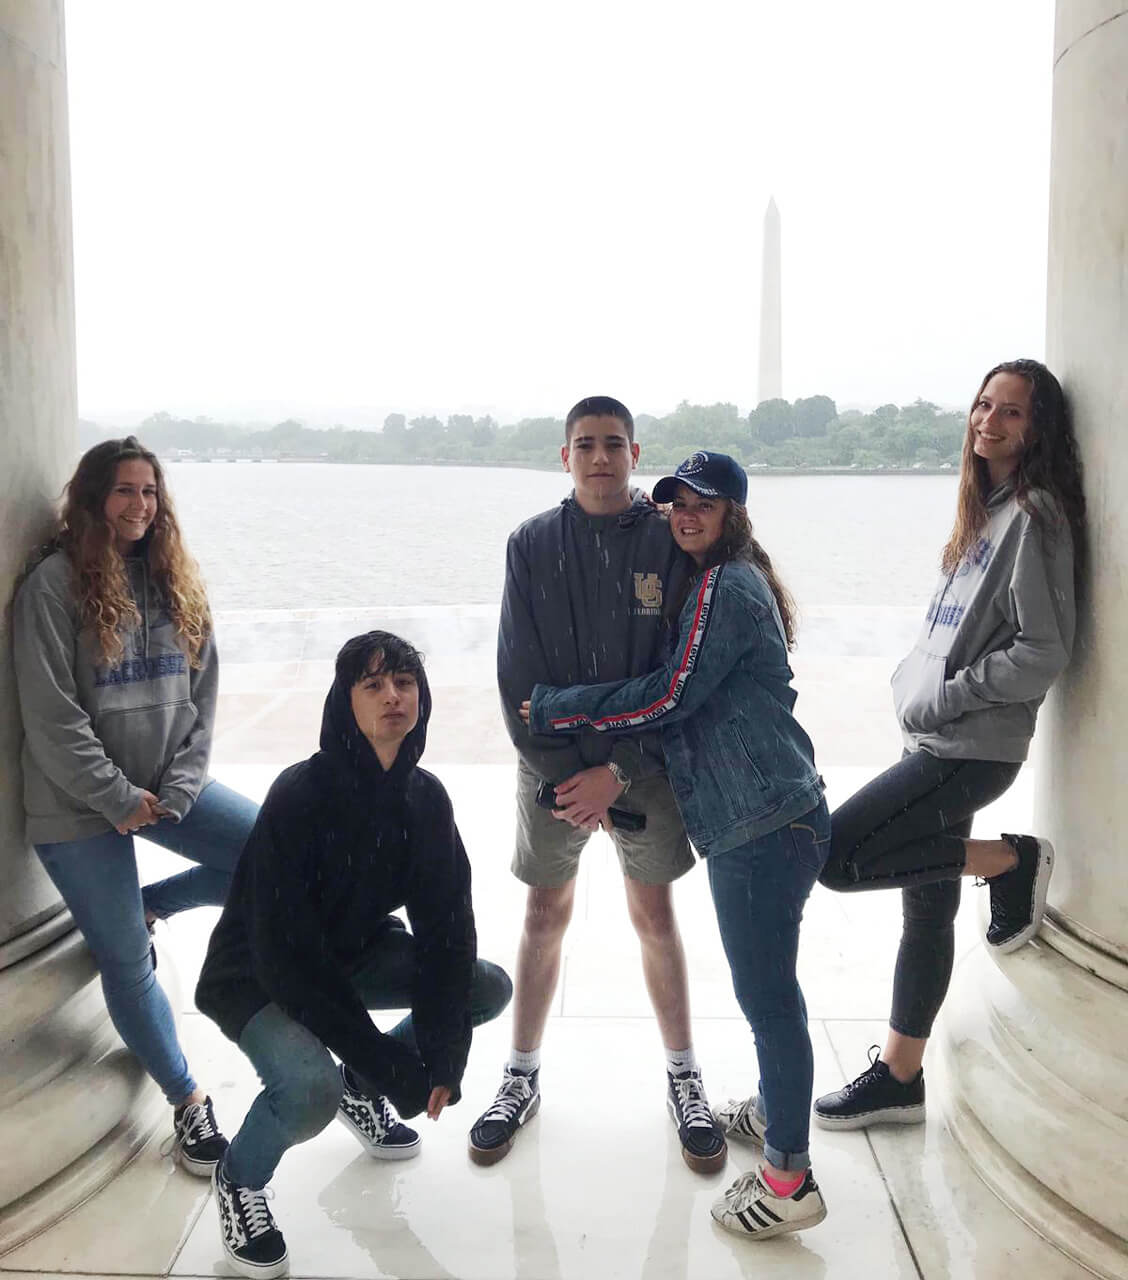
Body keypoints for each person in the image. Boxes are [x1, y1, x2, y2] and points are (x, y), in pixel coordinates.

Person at [526, 451, 830, 1241]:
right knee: (774, 993)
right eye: (677, 502)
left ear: (734, 514)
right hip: (767, 814)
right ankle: (772, 1111)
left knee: (769, 1005)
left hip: (762, 822)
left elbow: (668, 694)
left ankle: (789, 1180)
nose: (687, 513)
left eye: (705, 502)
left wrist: (560, 707)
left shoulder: (727, 586)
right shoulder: (718, 583)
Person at [814, 358, 1084, 1131]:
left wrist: (952, 693)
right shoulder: (986, 509)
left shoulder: (1034, 516)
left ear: (1040, 431)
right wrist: (917, 684)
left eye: (1012, 413)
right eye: (983, 405)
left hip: (967, 749)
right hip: (935, 736)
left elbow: (1044, 651)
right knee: (925, 917)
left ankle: (1011, 861)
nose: (988, 422)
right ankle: (901, 1078)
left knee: (835, 854)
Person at [196, 631, 512, 1279]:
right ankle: (239, 1179)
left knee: (484, 987)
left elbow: (447, 933)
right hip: (256, 971)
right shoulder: (301, 796)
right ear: (345, 701)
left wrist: (444, 1056)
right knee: (308, 1089)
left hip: (349, 955)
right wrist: (390, 1061)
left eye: (404, 681)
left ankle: (358, 1091)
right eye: (373, 684)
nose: (392, 696)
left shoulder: (425, 800)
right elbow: (292, 964)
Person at [470, 397, 727, 1176]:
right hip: (551, 767)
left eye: (614, 444)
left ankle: (685, 1076)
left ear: (635, 452)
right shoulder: (530, 543)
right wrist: (568, 779)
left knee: (654, 912)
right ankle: (519, 1075)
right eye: (586, 444)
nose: (601, 457)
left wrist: (617, 772)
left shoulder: (669, 539)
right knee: (545, 911)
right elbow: (518, 672)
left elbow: (677, 674)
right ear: (566, 457)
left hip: (643, 766)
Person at [13, 435, 258, 1178]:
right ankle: (187, 1102)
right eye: (124, 491)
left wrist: (180, 787)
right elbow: (51, 717)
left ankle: (148, 903)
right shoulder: (52, 587)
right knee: (125, 961)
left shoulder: (174, 579)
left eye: (150, 491)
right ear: (91, 499)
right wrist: (116, 799)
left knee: (272, 857)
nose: (140, 505)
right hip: (77, 806)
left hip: (166, 787)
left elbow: (202, 695)